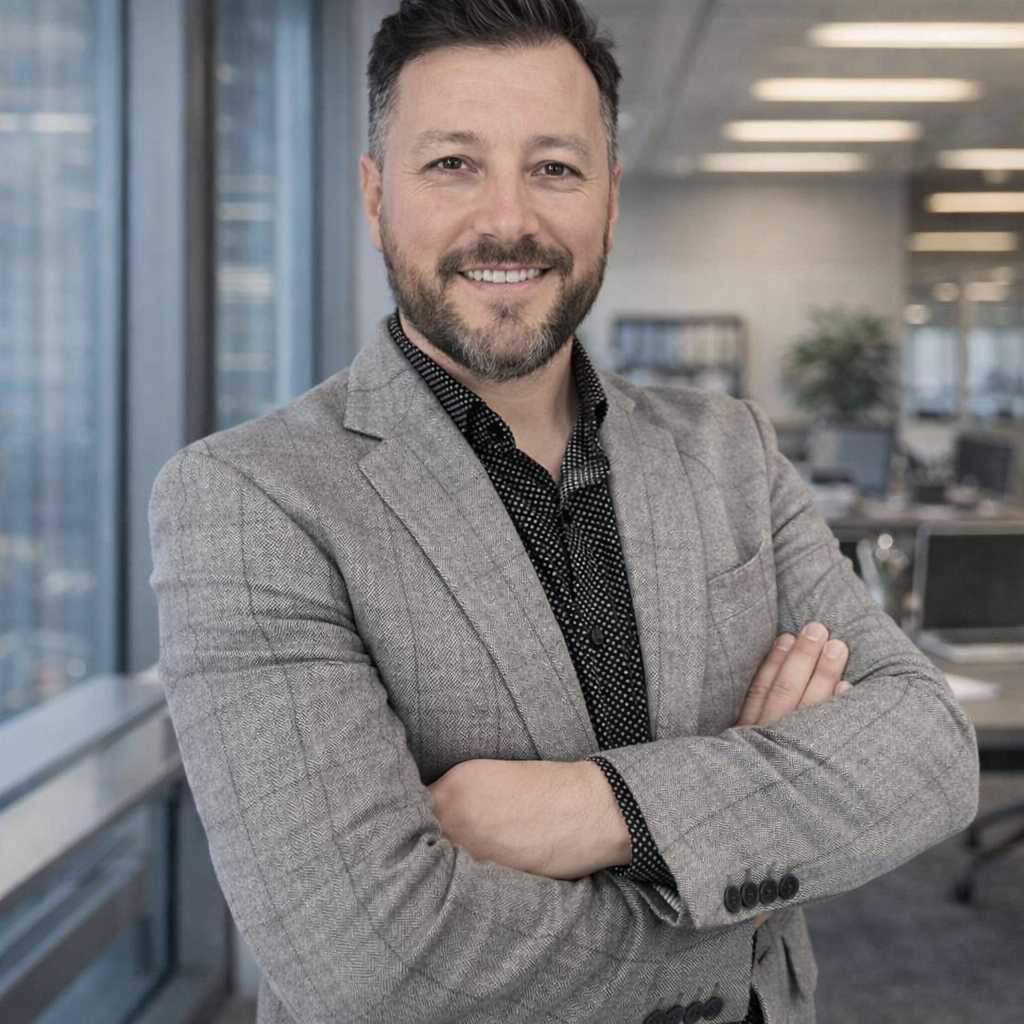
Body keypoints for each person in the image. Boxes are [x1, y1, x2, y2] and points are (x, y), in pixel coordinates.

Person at [149, 1, 979, 1022]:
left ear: (609, 198)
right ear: (374, 196)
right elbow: (368, 957)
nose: (508, 220)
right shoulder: (253, 499)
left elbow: (928, 754)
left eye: (554, 167)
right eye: (452, 163)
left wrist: (603, 808)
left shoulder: (727, 450)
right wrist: (747, 864)